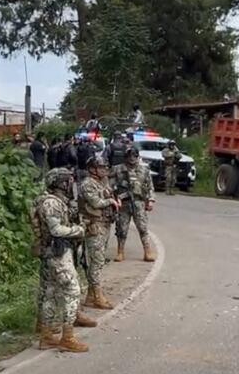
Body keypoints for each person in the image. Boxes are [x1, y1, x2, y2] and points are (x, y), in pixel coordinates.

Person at [31, 168, 93, 354]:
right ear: (60, 183)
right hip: (58, 253)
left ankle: (47, 335)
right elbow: (56, 230)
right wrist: (79, 230)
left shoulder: (49, 200)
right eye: (67, 181)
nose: (70, 185)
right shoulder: (51, 203)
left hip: (52, 253)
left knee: (50, 293)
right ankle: (67, 337)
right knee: (73, 291)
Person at [79, 152, 120, 310]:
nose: (104, 169)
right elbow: (95, 203)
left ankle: (91, 295)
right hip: (94, 225)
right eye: (100, 167)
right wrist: (110, 201)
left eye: (104, 166)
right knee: (96, 261)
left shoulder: (103, 182)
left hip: (105, 224)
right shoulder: (87, 183)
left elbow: (109, 195)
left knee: (100, 260)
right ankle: (97, 295)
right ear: (92, 169)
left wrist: (116, 200)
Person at [112, 147, 156, 262]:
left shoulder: (144, 170)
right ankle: (120, 252)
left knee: (143, 228)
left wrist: (150, 200)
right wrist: (115, 198)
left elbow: (150, 186)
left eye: (134, 156)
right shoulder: (117, 169)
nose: (132, 159)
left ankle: (147, 252)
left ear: (138, 157)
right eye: (129, 156)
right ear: (125, 157)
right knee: (122, 229)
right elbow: (109, 185)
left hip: (139, 202)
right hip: (123, 204)